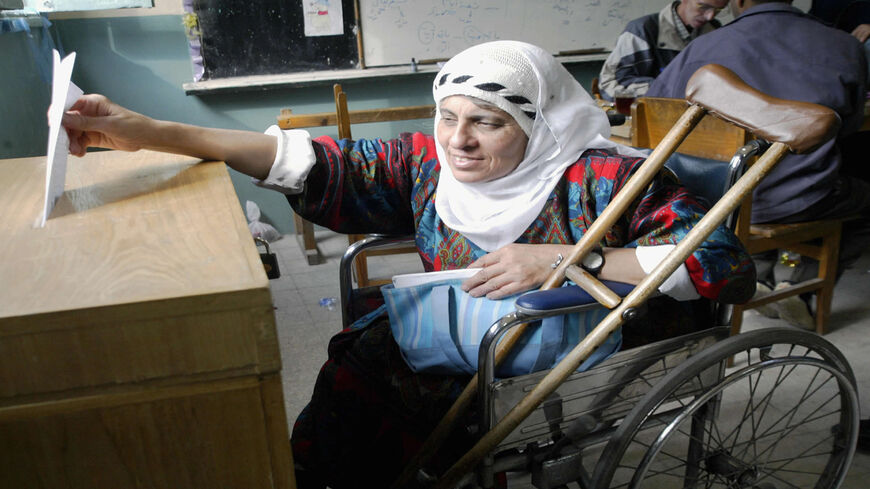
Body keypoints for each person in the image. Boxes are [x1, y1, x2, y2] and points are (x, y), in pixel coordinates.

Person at [61, 41, 754, 488]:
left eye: (487, 121)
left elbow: (722, 259)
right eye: (447, 115)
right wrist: (144, 131)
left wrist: (568, 256)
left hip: (565, 341)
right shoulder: (425, 162)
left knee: (389, 387)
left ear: (537, 124)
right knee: (356, 365)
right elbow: (301, 160)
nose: (458, 139)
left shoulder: (600, 180)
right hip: (460, 334)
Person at [646, 0, 870, 329]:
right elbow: (846, 127)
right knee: (857, 197)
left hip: (716, 200)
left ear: (737, 2)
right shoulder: (843, 44)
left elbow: (657, 112)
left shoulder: (702, 47)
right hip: (800, 198)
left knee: (776, 195)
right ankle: (796, 280)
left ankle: (762, 270)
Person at [597, 0, 727, 101]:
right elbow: (609, 86)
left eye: (718, 9)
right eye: (703, 6)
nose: (710, 16)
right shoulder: (641, 30)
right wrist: (668, 88)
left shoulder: (714, 30)